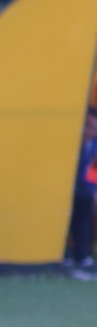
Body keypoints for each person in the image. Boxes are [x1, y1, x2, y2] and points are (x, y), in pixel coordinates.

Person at [65, 105, 97, 271]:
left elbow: (93, 176)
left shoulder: (94, 147)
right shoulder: (70, 145)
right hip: (69, 190)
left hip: (85, 191)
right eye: (88, 126)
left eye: (94, 128)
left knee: (86, 199)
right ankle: (67, 254)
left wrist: (94, 191)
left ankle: (82, 255)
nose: (90, 131)